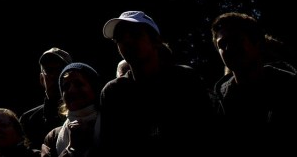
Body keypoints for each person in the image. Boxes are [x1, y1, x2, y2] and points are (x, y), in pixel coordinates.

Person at [96, 10, 214, 157]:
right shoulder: (113, 92)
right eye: (120, 38)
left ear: (156, 40)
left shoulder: (185, 79)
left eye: (134, 34)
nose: (127, 41)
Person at [210, 11, 297, 154]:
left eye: (235, 40)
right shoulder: (217, 104)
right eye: (222, 44)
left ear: (258, 43)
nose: (228, 48)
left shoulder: (290, 89)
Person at [41, 63, 101, 157]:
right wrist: (72, 149)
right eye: (66, 87)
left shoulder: (111, 124)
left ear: (94, 88)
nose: (71, 90)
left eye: (78, 84)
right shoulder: (53, 137)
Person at [19, 48, 71, 149]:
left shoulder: (83, 113)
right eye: (49, 70)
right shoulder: (28, 120)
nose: (55, 76)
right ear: (42, 79)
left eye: (61, 70)